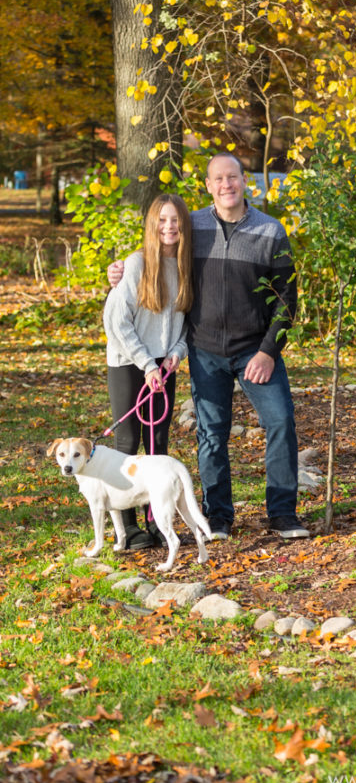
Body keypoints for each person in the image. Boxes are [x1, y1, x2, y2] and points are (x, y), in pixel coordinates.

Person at [109, 153, 308, 541]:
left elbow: (287, 299)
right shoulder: (192, 225)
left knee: (281, 422)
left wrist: (269, 351)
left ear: (244, 180)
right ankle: (218, 516)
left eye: (232, 177)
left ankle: (283, 514)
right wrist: (118, 271)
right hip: (204, 350)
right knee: (212, 434)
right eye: (218, 179)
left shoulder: (271, 231)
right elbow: (154, 254)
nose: (226, 185)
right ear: (208, 185)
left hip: (256, 350)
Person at [103, 194, 192, 549]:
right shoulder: (136, 265)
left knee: (158, 445)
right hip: (128, 361)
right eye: (162, 220)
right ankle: (126, 527)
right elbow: (117, 322)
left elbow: (186, 324)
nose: (169, 227)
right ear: (152, 224)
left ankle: (157, 521)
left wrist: (174, 355)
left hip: (163, 365)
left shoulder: (187, 267)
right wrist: (146, 364)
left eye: (175, 220)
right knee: (128, 443)